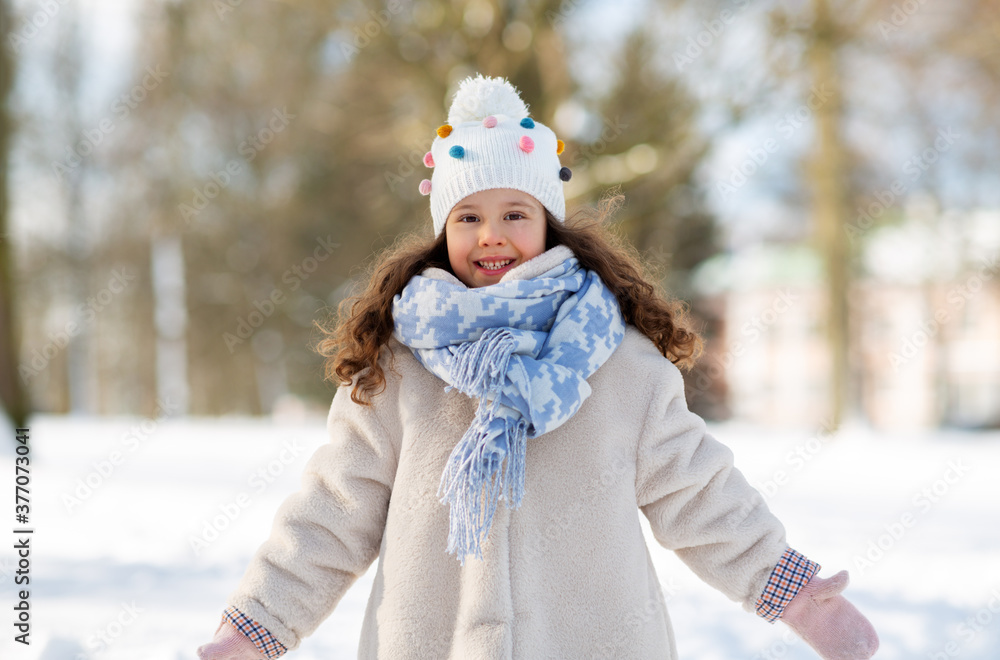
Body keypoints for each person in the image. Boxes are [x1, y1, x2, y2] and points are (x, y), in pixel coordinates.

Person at [197, 74, 879, 660]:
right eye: (468, 216)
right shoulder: (397, 372)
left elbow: (700, 494)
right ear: (443, 232)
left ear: (548, 224)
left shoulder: (619, 364)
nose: (491, 234)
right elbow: (333, 513)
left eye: (514, 213)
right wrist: (257, 627)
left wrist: (795, 595)